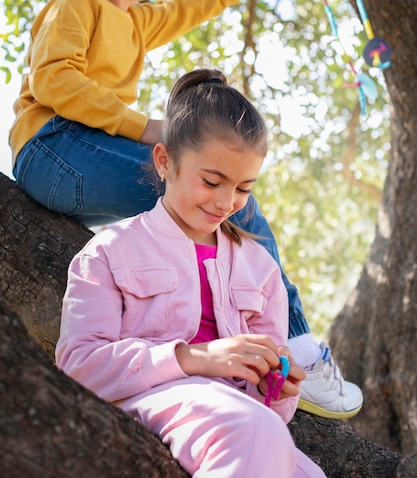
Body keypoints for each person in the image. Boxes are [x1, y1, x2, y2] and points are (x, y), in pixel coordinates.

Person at [9, 0, 362, 419]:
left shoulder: (135, 21)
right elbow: (53, 79)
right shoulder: (79, 1)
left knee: (219, 203)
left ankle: (231, 339)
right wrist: (145, 126)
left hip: (82, 156)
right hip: (52, 146)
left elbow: (184, 10)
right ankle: (294, 343)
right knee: (223, 198)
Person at [56, 68, 327, 478]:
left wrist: (276, 385)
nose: (226, 202)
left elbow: (268, 408)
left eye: (243, 188)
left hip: (242, 425)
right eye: (212, 181)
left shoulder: (260, 268)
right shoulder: (109, 252)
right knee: (254, 430)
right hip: (154, 405)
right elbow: (79, 366)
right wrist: (192, 358)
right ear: (165, 161)